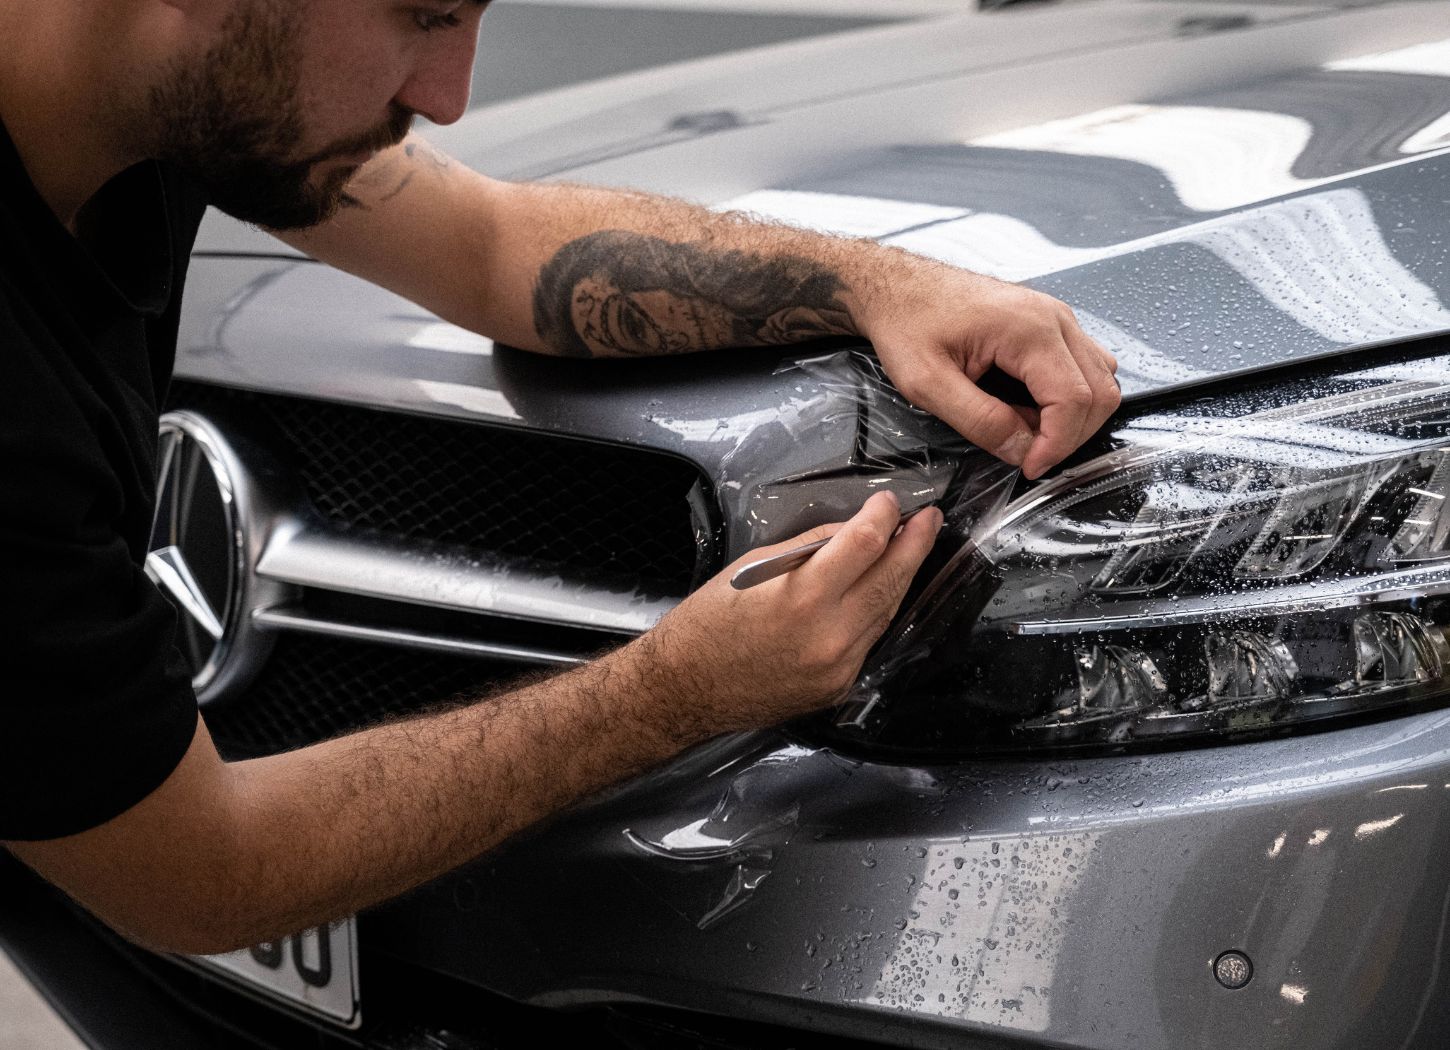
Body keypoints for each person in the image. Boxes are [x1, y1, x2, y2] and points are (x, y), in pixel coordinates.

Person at [0, 0, 1120, 955]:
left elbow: (490, 244)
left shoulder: (176, 93)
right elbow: (196, 871)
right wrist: (679, 691)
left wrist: (878, 287)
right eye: (425, 13)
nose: (446, 93)